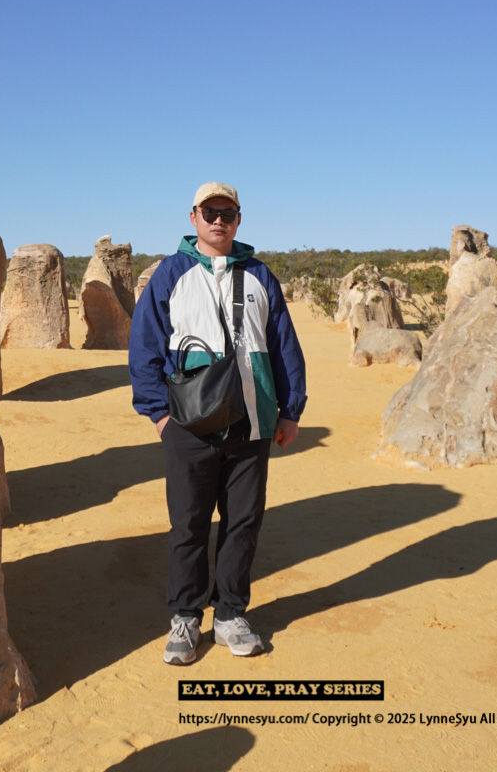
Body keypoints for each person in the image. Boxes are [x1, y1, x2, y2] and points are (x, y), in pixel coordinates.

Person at [129, 182, 307, 664]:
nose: (218, 221)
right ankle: (185, 618)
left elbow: (284, 346)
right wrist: (159, 415)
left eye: (227, 213)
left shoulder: (261, 277)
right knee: (187, 524)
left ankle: (230, 614)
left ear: (239, 219)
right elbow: (145, 346)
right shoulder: (171, 274)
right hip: (188, 423)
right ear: (193, 218)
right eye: (210, 212)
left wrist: (290, 410)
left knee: (243, 523)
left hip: (252, 421)